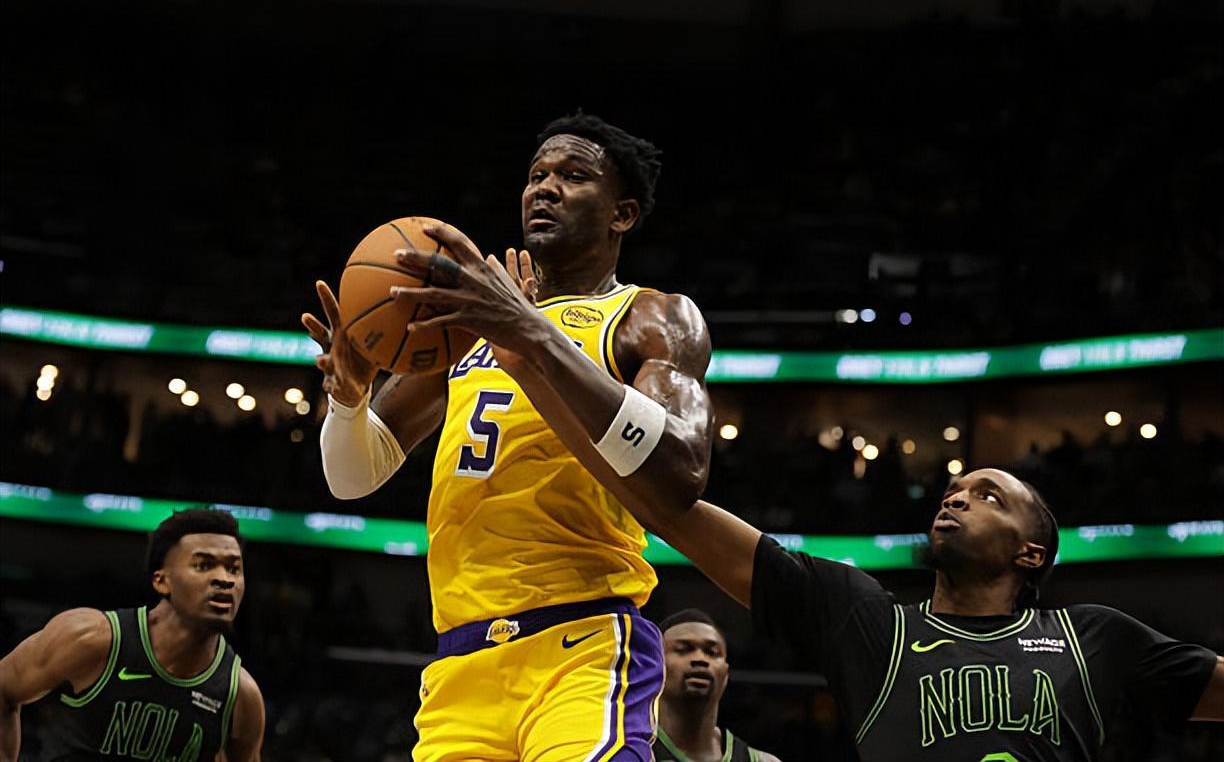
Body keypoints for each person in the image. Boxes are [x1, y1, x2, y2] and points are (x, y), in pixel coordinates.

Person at [302, 113, 715, 761]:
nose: (544, 188)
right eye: (536, 174)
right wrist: (348, 402)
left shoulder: (651, 316)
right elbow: (351, 478)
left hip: (582, 645)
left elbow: (681, 468)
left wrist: (533, 336)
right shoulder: (467, 322)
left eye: (573, 176)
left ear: (623, 214)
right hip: (463, 661)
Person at [610, 467, 1224, 760]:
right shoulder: (870, 622)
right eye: (953, 493)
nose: (955, 499)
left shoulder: (1090, 637)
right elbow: (682, 519)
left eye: (988, 497)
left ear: (1030, 553)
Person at [0, 509, 264, 761]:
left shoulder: (241, 696)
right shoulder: (91, 638)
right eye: (204, 565)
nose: (225, 579)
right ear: (161, 581)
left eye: (234, 569)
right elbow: (4, 688)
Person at [653, 609, 781, 762]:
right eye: (683, 650)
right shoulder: (634, 754)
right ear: (655, 667)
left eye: (712, 652)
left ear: (726, 674)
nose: (700, 658)